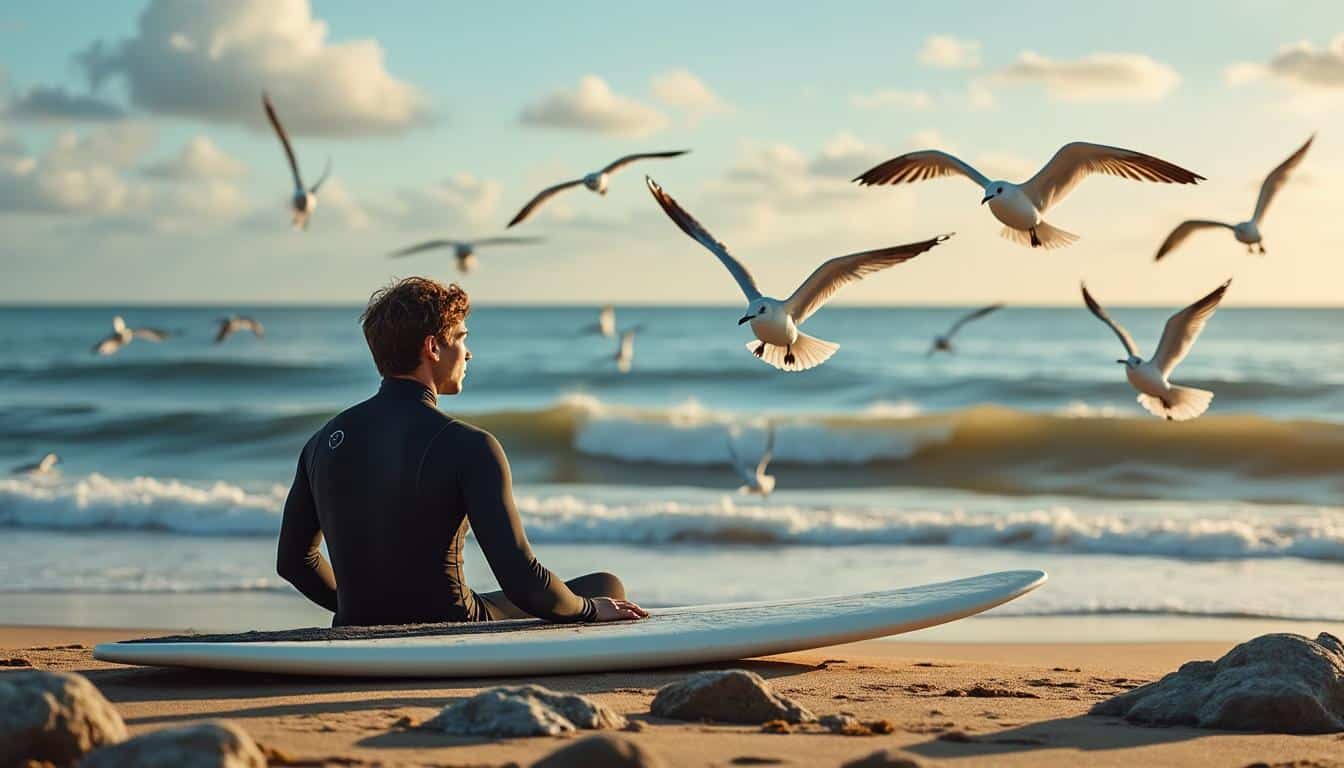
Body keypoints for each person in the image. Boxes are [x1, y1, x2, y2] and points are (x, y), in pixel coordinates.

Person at [277, 277, 647, 626]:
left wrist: (362, 613)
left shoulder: (321, 442)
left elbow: (294, 562)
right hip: (454, 627)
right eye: (461, 338)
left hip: (357, 624)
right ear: (433, 347)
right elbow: (523, 582)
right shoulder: (471, 445)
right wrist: (588, 610)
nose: (468, 354)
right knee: (605, 586)